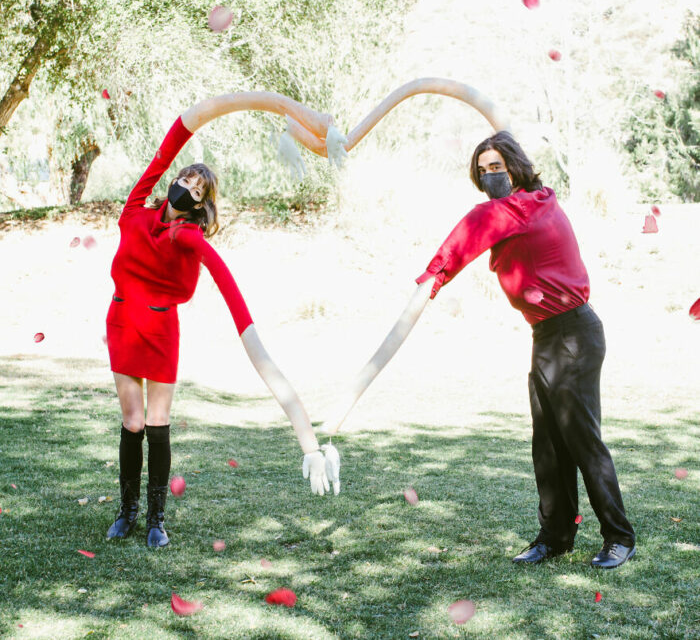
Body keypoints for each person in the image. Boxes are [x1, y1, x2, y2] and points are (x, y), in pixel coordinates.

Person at [323, 130, 635, 569]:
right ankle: (556, 536)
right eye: (483, 171)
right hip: (547, 336)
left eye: (497, 168)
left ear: (515, 167)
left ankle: (619, 537)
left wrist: (433, 277)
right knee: (547, 444)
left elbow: (470, 232)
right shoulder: (532, 201)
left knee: (582, 440)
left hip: (573, 334)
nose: (490, 177)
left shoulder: (524, 206)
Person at [105, 115, 338, 548]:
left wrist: (250, 332)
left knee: (156, 422)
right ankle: (127, 512)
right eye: (186, 181)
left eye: (197, 192)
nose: (187, 191)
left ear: (201, 204)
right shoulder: (135, 209)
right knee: (131, 421)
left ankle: (156, 518)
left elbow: (221, 277)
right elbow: (162, 155)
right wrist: (191, 120)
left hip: (159, 330)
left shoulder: (189, 237)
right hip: (122, 323)